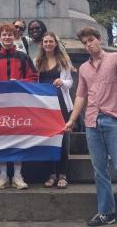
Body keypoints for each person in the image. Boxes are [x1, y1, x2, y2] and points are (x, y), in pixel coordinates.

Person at [65, 27, 117, 227]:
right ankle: (106, 213)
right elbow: (81, 96)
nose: (89, 44)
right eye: (85, 42)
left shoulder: (116, 58)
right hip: (92, 122)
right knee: (99, 171)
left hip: (115, 120)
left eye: (91, 40)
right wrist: (72, 119)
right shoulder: (83, 69)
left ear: (99, 39)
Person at [0, 23, 38, 189]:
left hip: (18, 105)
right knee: (1, 138)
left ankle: (18, 175)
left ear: (15, 37)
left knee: (18, 139)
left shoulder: (22, 57)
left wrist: (19, 83)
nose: (7, 38)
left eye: (10, 35)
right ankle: (3, 174)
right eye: (4, 35)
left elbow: (33, 78)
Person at [34, 32, 74, 189]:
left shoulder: (64, 61)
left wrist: (62, 82)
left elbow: (70, 82)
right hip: (45, 106)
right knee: (49, 139)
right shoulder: (37, 61)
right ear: (42, 44)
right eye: (46, 41)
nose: (48, 44)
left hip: (61, 104)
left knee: (63, 140)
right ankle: (51, 174)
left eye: (51, 41)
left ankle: (62, 175)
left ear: (56, 43)